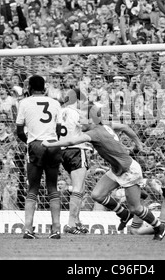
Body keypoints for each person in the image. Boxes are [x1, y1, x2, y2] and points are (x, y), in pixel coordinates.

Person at [42, 104, 165, 241]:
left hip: (129, 171)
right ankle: (124, 214)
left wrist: (50, 144)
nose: (78, 123)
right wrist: (137, 142)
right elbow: (125, 127)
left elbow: (72, 141)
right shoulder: (105, 126)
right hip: (116, 169)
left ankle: (159, 226)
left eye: (82, 119)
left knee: (136, 209)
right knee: (97, 195)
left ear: (91, 121)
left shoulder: (94, 133)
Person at [15, 75, 63, 239]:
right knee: (53, 188)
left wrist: (29, 141)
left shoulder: (24, 103)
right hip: (53, 145)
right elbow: (59, 129)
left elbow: (20, 131)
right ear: (44, 88)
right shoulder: (55, 103)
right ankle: (56, 229)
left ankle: (28, 229)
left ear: (29, 87)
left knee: (33, 189)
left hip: (35, 145)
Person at [59, 88, 91, 234]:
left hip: (61, 150)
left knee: (81, 186)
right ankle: (71, 223)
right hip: (77, 149)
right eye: (82, 100)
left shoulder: (60, 111)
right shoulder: (77, 113)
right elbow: (85, 127)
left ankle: (77, 221)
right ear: (77, 100)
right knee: (78, 187)